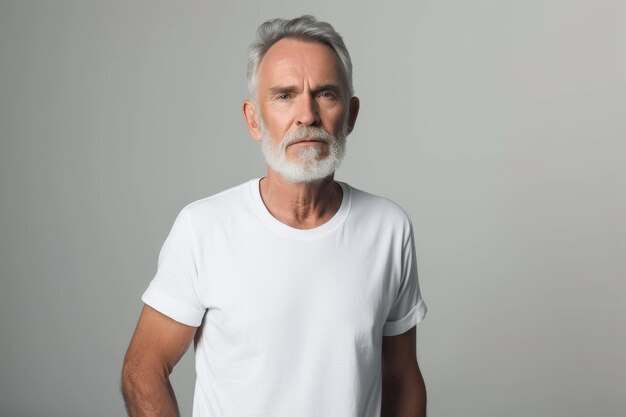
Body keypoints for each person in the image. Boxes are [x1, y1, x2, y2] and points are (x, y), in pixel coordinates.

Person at [122, 15, 428, 417]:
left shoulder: (388, 228)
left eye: (325, 94)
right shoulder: (205, 228)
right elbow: (143, 368)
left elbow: (402, 378)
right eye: (284, 95)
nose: (307, 115)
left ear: (350, 116)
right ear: (253, 119)